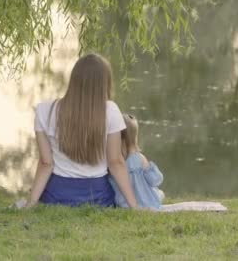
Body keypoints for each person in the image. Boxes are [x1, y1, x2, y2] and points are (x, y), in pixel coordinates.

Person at [24, 53, 138, 208]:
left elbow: (46, 163)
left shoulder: (44, 110)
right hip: (97, 198)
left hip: (56, 197)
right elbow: (115, 162)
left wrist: (31, 202)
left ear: (74, 80)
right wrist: (135, 206)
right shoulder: (111, 111)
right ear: (104, 83)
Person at [109, 114, 164, 209]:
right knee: (160, 193)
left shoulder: (113, 162)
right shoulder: (140, 158)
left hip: (124, 204)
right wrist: (151, 168)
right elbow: (155, 180)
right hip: (149, 202)